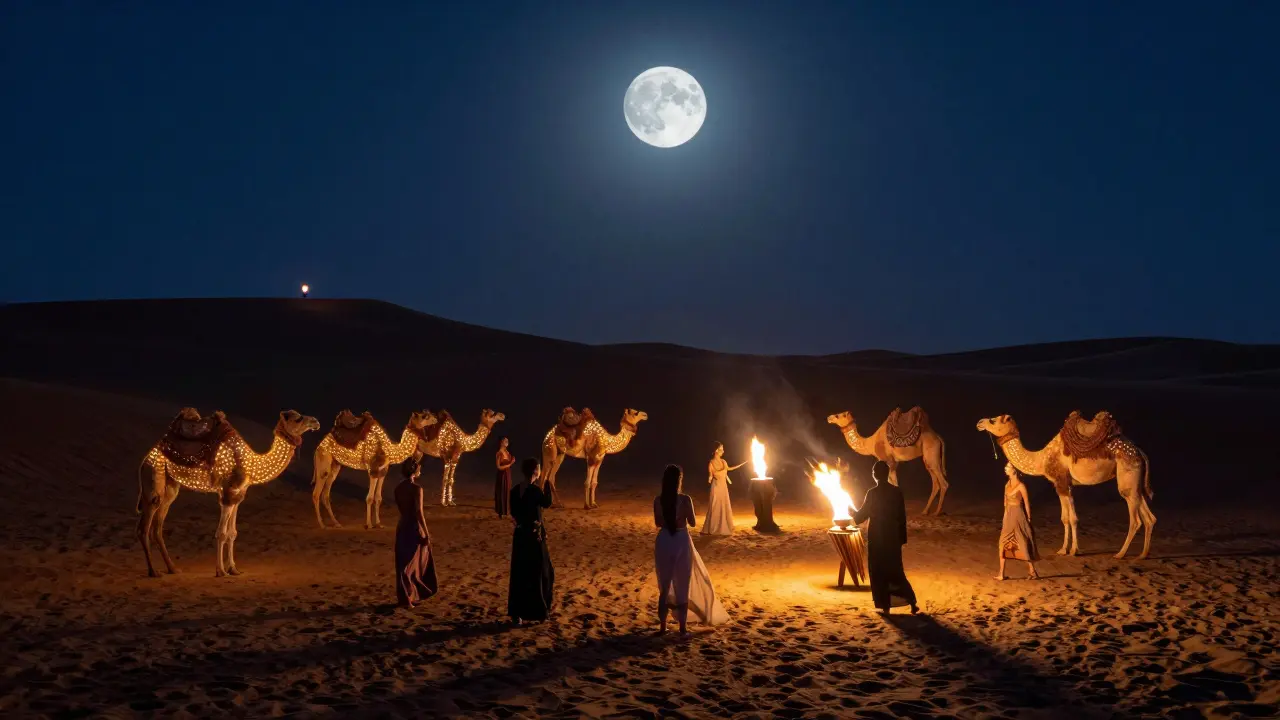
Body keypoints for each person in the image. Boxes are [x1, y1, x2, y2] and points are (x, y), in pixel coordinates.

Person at [654, 464, 730, 636]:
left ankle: (663, 626)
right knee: (683, 583)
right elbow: (693, 522)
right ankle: (682, 627)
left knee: (664, 585)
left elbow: (658, 523)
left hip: (664, 540)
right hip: (680, 540)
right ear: (679, 480)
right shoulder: (685, 499)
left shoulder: (658, 500)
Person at [852, 460, 919, 614]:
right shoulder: (897, 492)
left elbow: (862, 515)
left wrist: (852, 514)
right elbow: (902, 517)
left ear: (874, 475)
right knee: (895, 570)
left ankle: (885, 607)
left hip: (877, 537)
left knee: (879, 571)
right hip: (892, 537)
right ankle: (912, 602)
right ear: (887, 474)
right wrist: (902, 538)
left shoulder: (872, 493)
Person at [508, 457, 554, 624]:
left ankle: (517, 614)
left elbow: (513, 512)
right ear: (535, 470)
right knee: (541, 572)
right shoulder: (535, 491)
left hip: (520, 536)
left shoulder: (515, 490)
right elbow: (547, 503)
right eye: (539, 468)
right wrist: (548, 485)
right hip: (534, 537)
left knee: (520, 573)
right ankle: (540, 612)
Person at [393, 456, 438, 608]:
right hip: (413, 527)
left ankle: (408, 597)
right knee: (414, 563)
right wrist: (426, 532)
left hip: (402, 526)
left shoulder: (398, 489)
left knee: (404, 564)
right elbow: (419, 512)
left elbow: (402, 509)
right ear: (415, 470)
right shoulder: (417, 489)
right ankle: (409, 598)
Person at [996, 462, 1041, 580]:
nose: (1005, 469)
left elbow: (1026, 504)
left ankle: (1032, 571)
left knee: (1022, 543)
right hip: (1009, 517)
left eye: (1008, 467)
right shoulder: (1007, 484)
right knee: (1002, 542)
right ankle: (1001, 573)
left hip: (1019, 517)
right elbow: (1005, 503)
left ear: (1014, 470)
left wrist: (1029, 519)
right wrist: (1005, 517)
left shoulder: (1021, 486)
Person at [703, 443, 747, 536]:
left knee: (724, 505)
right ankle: (713, 528)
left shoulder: (723, 461)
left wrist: (741, 464)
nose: (723, 451)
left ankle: (724, 525)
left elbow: (729, 469)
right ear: (716, 451)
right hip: (716, 487)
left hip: (723, 487)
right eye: (721, 449)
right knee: (715, 506)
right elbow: (711, 475)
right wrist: (710, 478)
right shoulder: (711, 463)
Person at [494, 437, 514, 518]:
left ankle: (506, 511)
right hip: (502, 475)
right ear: (501, 442)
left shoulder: (507, 452)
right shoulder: (499, 453)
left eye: (507, 441)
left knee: (507, 491)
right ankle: (500, 512)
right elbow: (498, 467)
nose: (507, 442)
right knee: (501, 492)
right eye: (505, 441)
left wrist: (511, 462)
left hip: (507, 474)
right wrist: (510, 464)